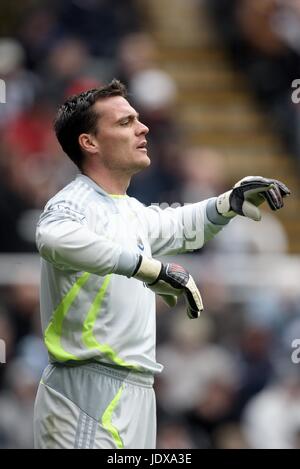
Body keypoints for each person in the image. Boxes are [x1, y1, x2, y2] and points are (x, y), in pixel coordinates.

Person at [33, 79, 290, 449]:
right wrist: (148, 269)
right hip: (86, 391)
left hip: (136, 391)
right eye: (124, 122)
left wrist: (227, 203)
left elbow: (181, 225)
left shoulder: (129, 210)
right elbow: (53, 238)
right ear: (88, 142)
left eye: (137, 118)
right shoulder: (73, 201)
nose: (143, 127)